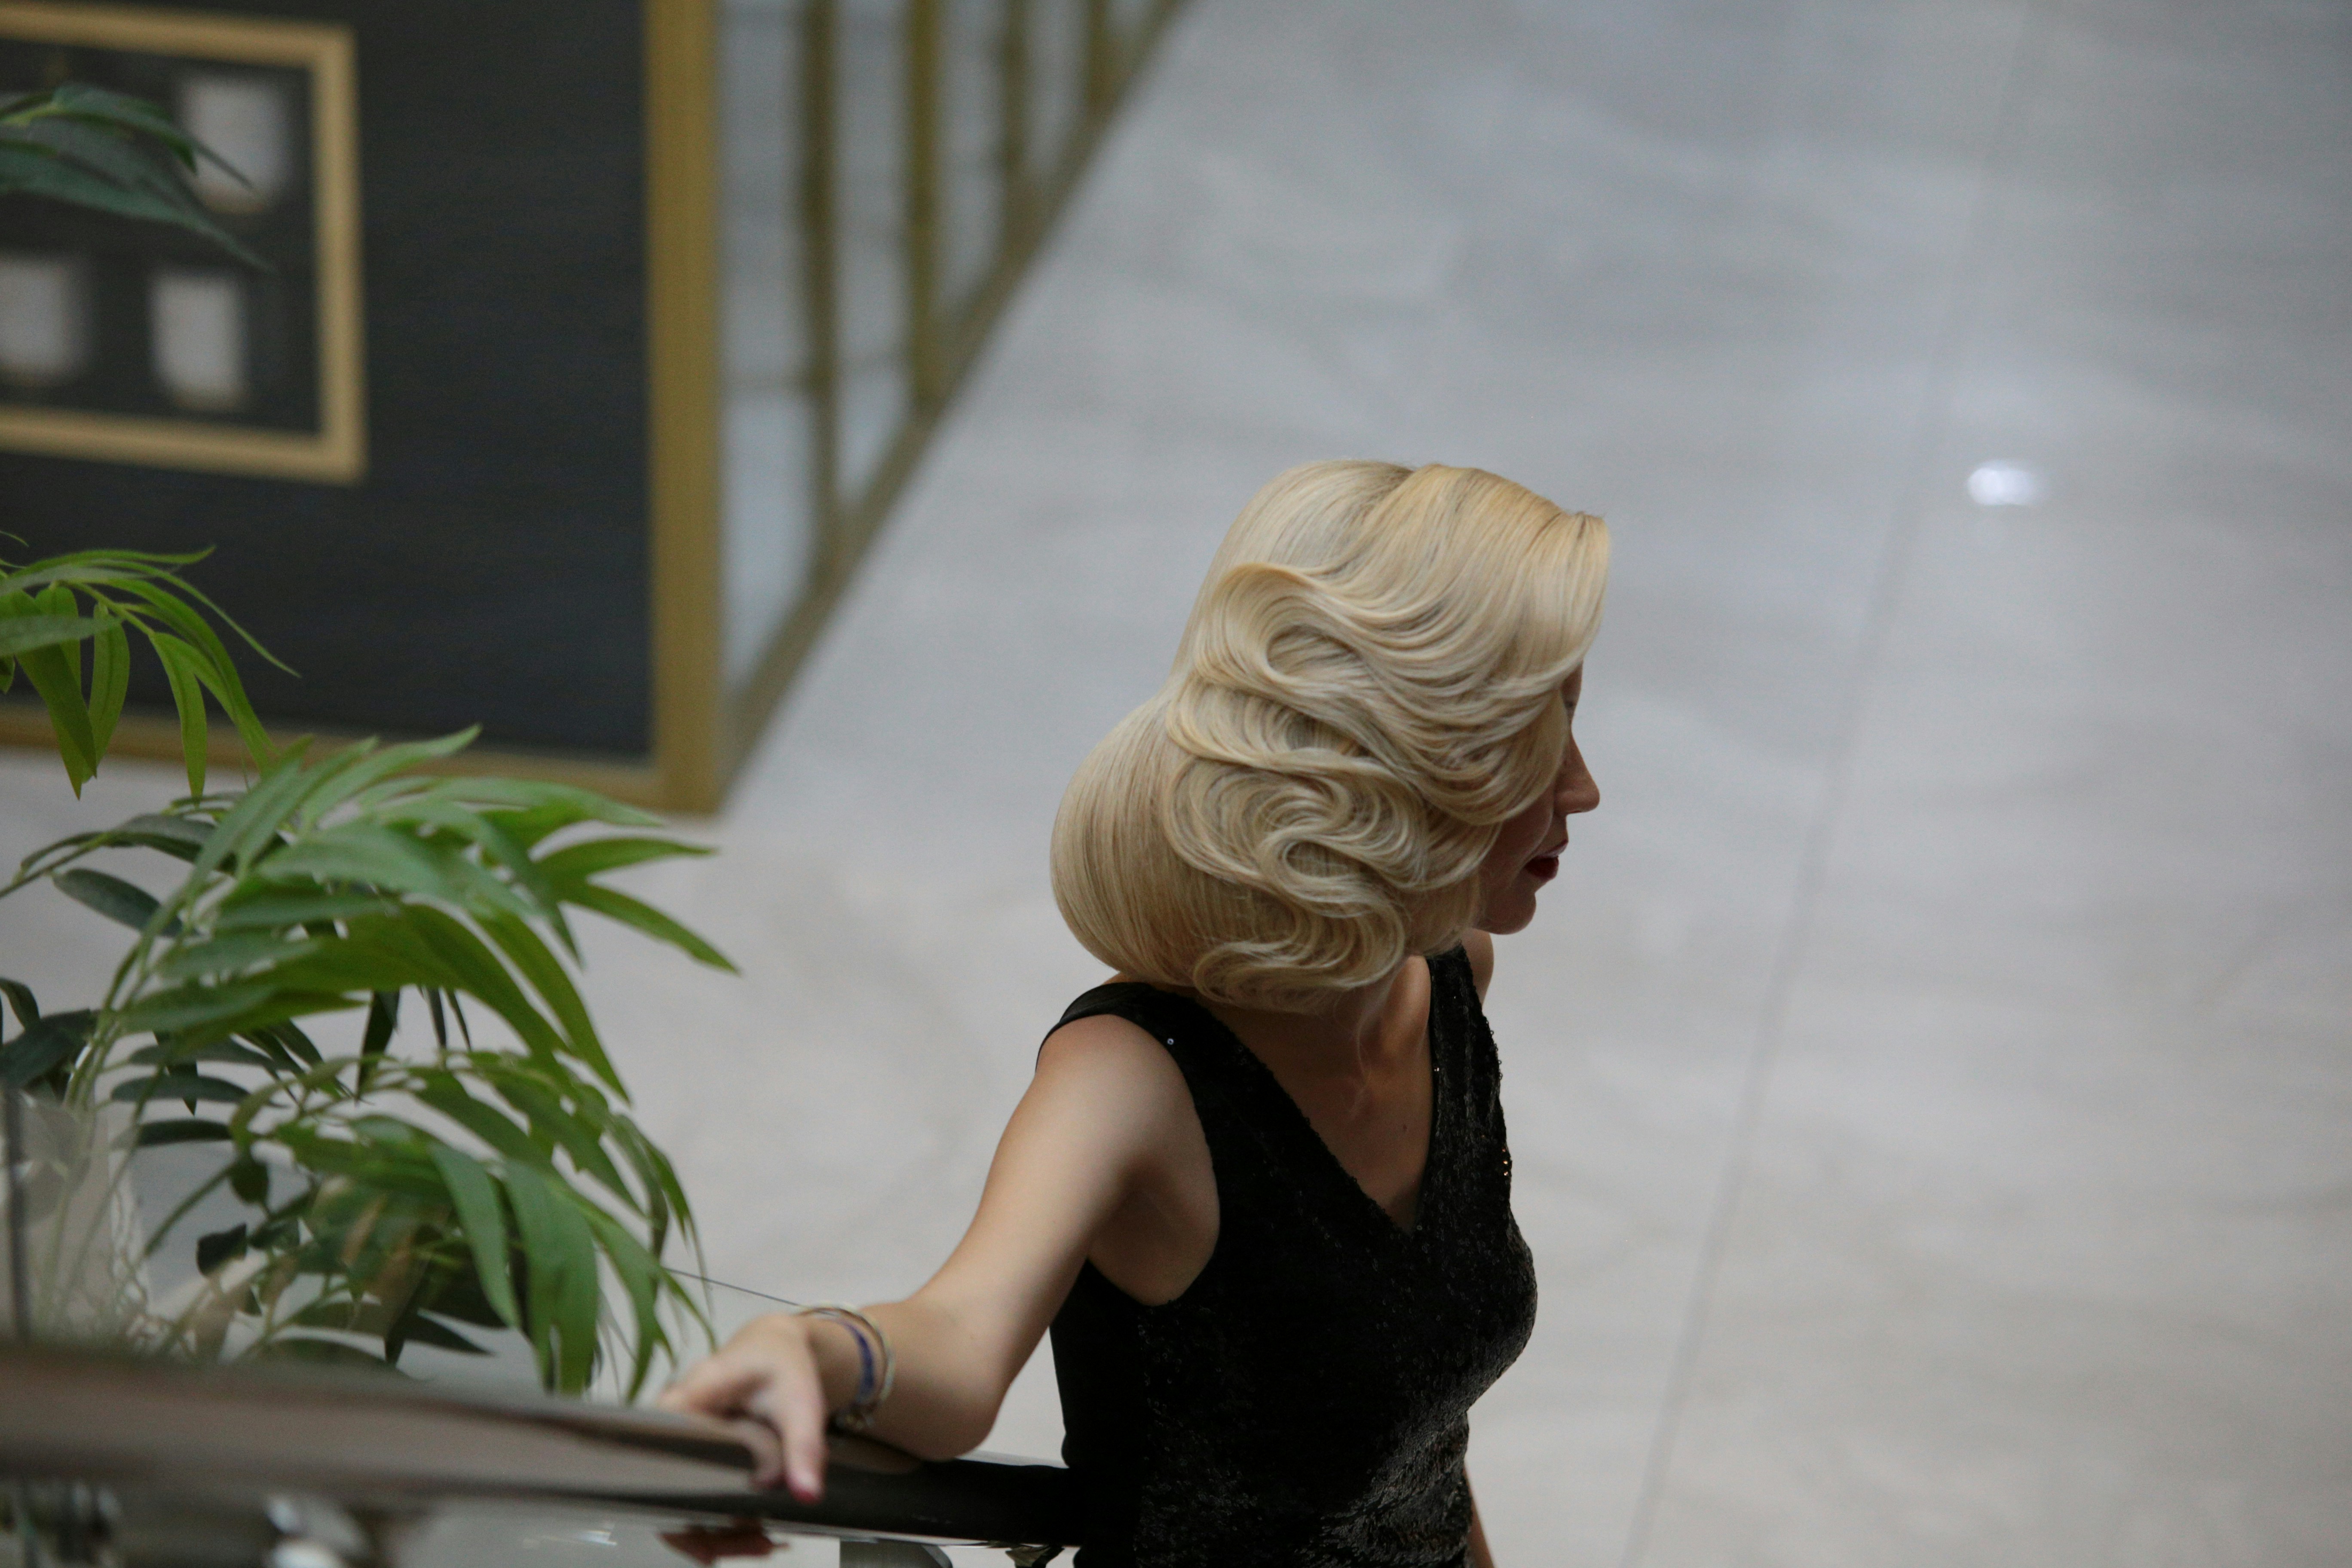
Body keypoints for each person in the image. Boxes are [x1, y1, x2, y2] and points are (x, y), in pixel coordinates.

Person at [659, 460, 1609, 1568]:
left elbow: (1420, 1445)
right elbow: (960, 1342)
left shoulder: (1451, 983)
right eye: (1542, 738)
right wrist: (812, 1354)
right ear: (1403, 760)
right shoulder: (1133, 1081)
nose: (1584, 787)